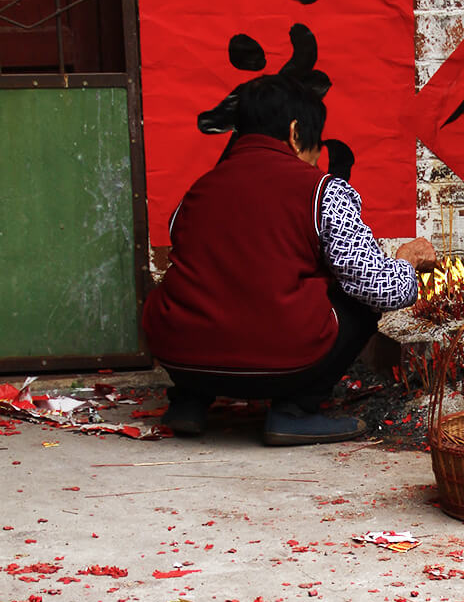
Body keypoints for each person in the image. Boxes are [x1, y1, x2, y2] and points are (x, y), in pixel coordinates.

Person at [143, 74, 437, 446]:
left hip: (183, 359)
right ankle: (296, 409)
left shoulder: (198, 190)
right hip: (280, 365)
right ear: (296, 133)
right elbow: (381, 289)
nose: (315, 158)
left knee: (190, 284)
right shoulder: (321, 191)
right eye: (315, 145)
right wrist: (405, 262)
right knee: (359, 300)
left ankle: (189, 401)